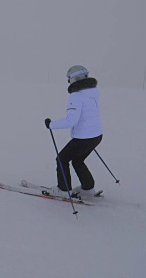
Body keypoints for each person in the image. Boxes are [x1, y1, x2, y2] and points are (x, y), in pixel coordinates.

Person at [44, 65, 103, 199]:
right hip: (96, 136)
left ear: (74, 79)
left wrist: (51, 125)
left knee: (62, 159)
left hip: (84, 137)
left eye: (69, 79)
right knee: (77, 160)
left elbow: (71, 121)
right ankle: (88, 188)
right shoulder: (93, 92)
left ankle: (64, 190)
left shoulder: (76, 96)